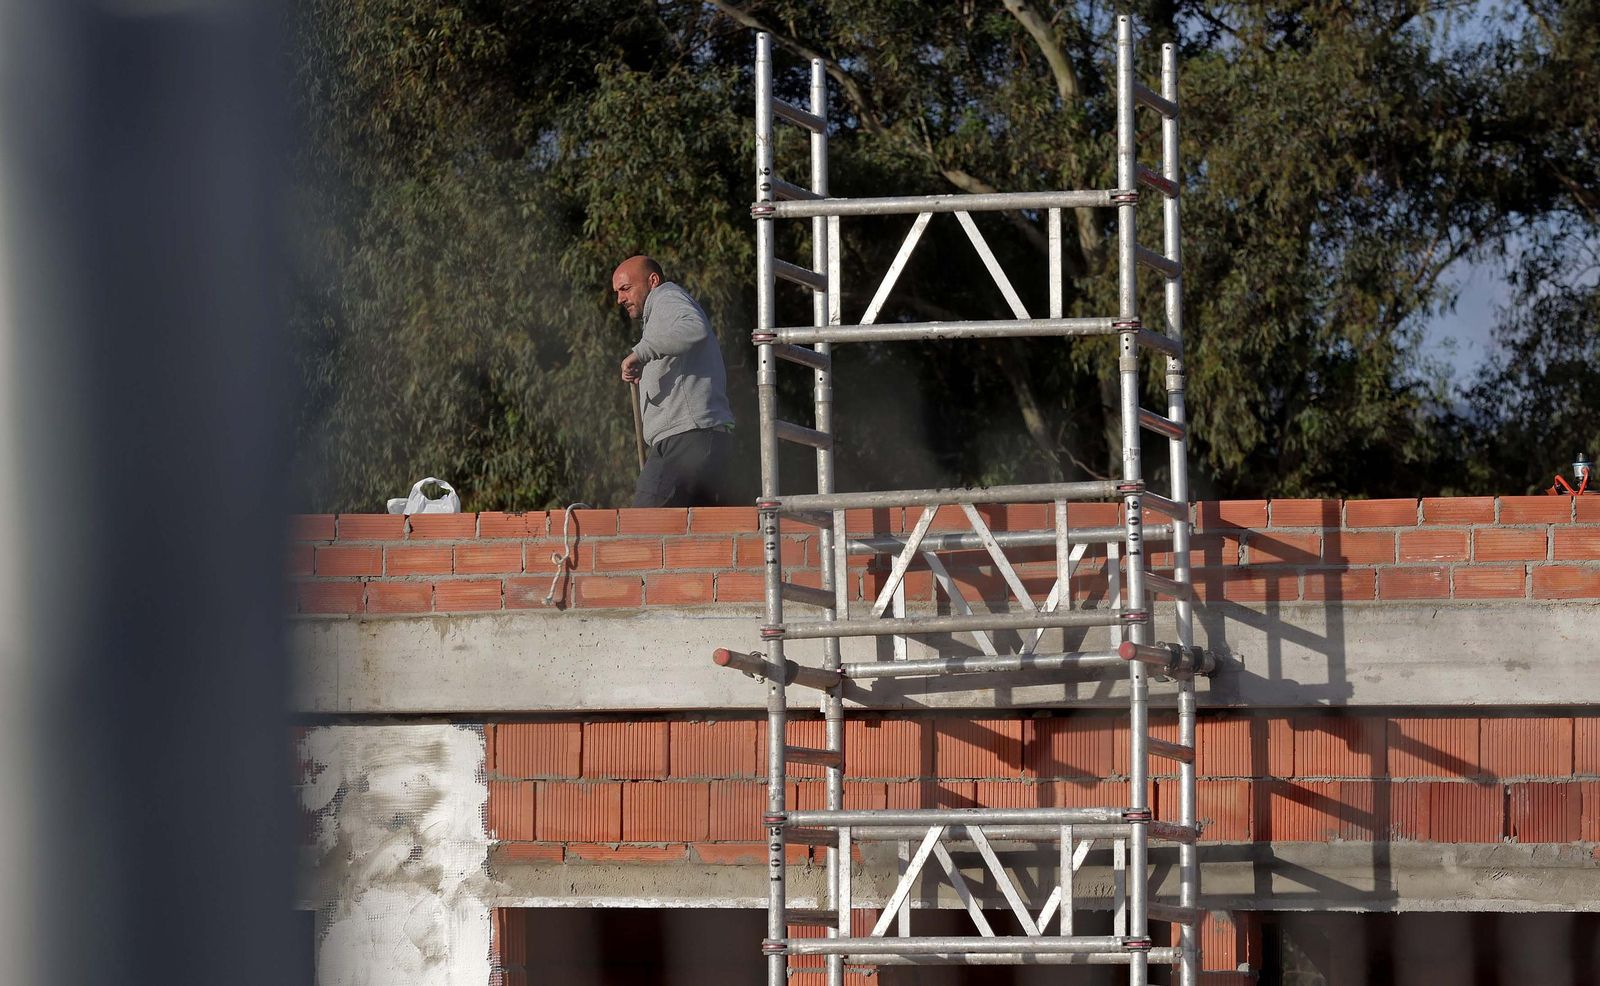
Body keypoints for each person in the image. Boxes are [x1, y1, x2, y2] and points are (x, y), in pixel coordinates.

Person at [613, 255, 735, 507]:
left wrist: (642, 353)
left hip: (685, 439)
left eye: (625, 289)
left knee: (642, 529)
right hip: (699, 439)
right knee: (691, 537)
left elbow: (694, 327)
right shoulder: (659, 313)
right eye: (617, 292)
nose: (620, 299)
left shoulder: (665, 296)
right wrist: (646, 371)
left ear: (653, 281)